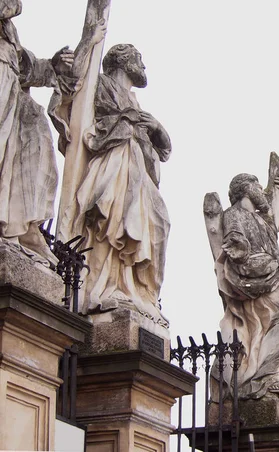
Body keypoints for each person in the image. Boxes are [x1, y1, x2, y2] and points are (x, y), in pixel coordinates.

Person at [54, 43, 171, 324]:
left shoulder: (135, 102)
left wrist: (155, 127)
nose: (144, 66)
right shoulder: (100, 82)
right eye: (139, 59)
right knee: (113, 220)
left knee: (158, 223)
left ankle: (135, 290)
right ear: (122, 61)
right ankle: (103, 285)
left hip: (138, 167)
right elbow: (72, 98)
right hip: (115, 161)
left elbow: (165, 151)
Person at [216, 171, 279, 403]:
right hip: (257, 274)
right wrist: (240, 248)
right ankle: (265, 374)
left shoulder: (264, 219)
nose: (262, 190)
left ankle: (268, 371)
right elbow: (235, 240)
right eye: (257, 185)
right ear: (245, 188)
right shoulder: (234, 214)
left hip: (274, 274)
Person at [0, 0, 72, 263]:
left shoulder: (8, 32)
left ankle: (25, 224)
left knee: (37, 136)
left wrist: (52, 65)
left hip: (11, 92)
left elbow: (22, 64)